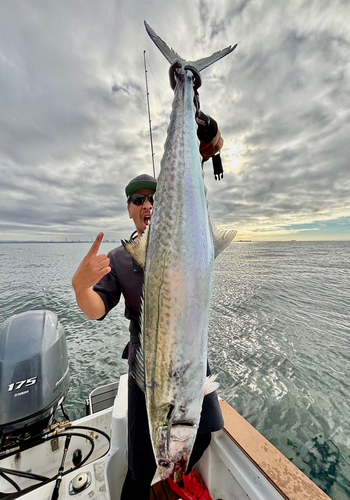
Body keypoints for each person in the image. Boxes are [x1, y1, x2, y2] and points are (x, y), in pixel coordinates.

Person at [72, 115, 224, 500]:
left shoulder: (186, 244)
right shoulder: (120, 259)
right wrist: (79, 285)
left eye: (155, 198)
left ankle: (181, 473)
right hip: (152, 368)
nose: (148, 205)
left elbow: (205, 156)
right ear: (129, 208)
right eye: (138, 199)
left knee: (206, 431)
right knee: (142, 467)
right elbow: (95, 308)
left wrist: (207, 133)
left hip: (190, 356)